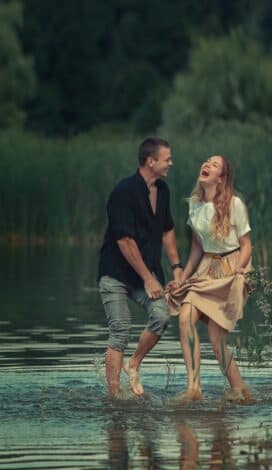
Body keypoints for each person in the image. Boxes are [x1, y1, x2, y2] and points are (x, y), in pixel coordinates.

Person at [98, 137, 184, 398]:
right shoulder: (123, 192)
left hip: (147, 276)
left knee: (162, 316)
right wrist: (148, 278)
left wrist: (177, 269)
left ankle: (133, 363)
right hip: (116, 275)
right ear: (151, 161)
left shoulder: (164, 190)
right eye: (167, 159)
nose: (171, 163)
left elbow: (168, 231)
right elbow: (125, 241)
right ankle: (113, 398)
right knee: (121, 329)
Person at [166, 154, 255, 403]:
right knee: (185, 317)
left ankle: (240, 390)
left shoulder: (235, 204)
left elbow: (247, 245)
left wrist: (239, 270)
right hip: (206, 269)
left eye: (214, 165)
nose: (206, 164)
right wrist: (183, 277)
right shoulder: (194, 204)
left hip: (231, 268)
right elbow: (197, 247)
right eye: (206, 161)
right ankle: (194, 388)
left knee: (216, 340)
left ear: (222, 178)